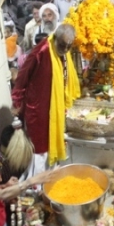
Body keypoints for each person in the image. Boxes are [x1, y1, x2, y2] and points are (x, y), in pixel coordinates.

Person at [12, 24, 80, 174]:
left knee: (52, 149)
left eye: (69, 46)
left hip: (56, 108)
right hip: (38, 111)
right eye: (63, 45)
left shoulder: (64, 52)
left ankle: (49, 181)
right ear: (55, 38)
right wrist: (17, 102)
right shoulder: (41, 51)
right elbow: (22, 77)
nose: (66, 50)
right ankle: (35, 186)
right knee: (40, 151)